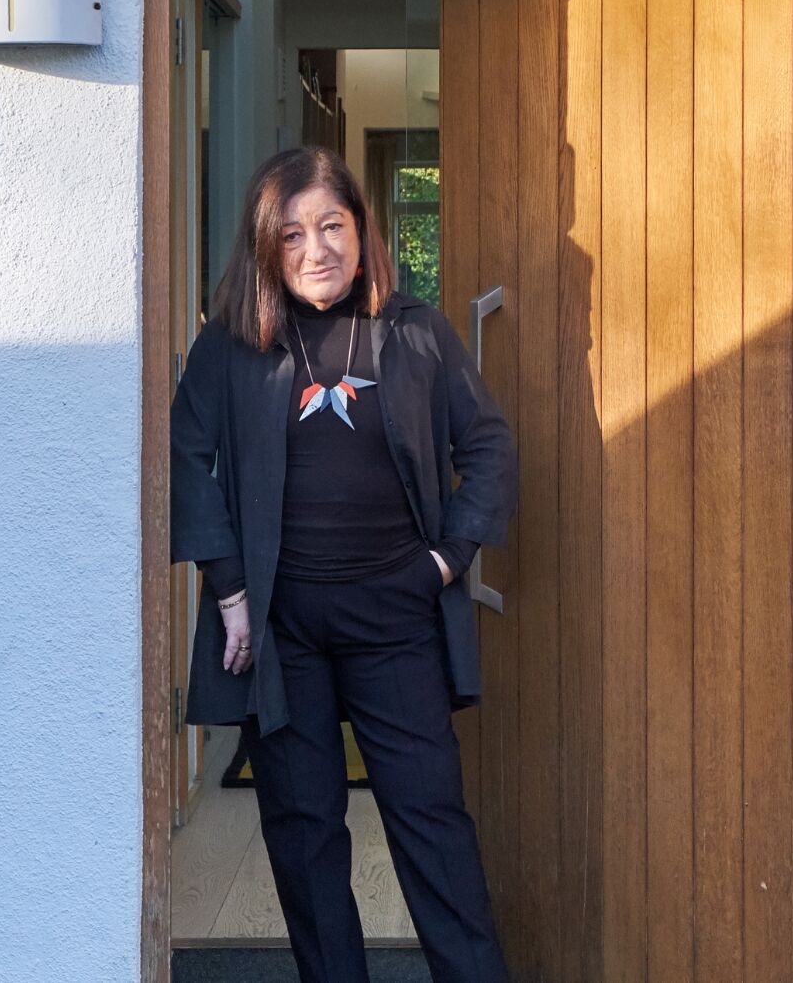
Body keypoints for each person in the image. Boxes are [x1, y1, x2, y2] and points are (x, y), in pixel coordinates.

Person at [170, 145, 517, 983]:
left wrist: (444, 561)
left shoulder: (415, 330)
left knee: (432, 824)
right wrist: (230, 588)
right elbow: (182, 459)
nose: (316, 249)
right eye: (292, 235)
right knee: (305, 834)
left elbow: (489, 447)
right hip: (282, 630)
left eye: (331, 226)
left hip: (395, 620)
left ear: (362, 229)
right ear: (266, 246)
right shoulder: (230, 346)